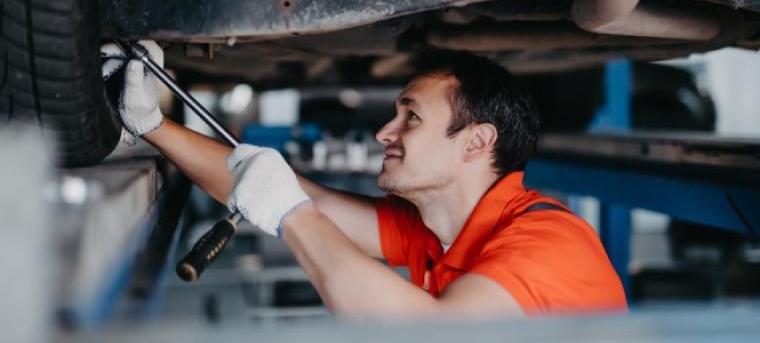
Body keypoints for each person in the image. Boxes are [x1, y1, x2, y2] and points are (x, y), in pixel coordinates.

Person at [101, 42, 627, 318]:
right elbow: (288, 193)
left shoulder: (549, 243)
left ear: (476, 142)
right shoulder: (436, 230)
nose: (383, 132)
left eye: (410, 117)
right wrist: (150, 125)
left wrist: (293, 216)